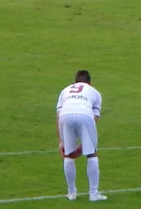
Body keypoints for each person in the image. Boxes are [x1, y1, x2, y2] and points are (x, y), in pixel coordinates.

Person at [56, 70, 107, 202]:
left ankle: (71, 192)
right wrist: (84, 145)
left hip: (65, 115)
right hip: (84, 113)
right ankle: (93, 193)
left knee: (68, 155)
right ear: (89, 83)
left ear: (75, 82)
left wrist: (60, 141)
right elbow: (94, 118)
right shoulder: (94, 92)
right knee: (91, 154)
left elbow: (58, 116)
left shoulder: (65, 90)